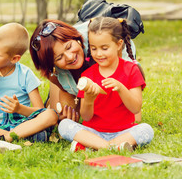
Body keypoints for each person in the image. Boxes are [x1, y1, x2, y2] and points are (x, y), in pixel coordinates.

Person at [58, 17, 153, 151]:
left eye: (104, 48)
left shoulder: (131, 70)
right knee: (64, 125)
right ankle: (112, 147)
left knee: (146, 130)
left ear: (119, 44)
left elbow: (135, 108)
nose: (99, 54)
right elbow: (85, 116)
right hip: (93, 132)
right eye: (94, 48)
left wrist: (121, 88)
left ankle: (92, 146)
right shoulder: (87, 75)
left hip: (123, 131)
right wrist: (89, 100)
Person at [29, 19, 141, 121]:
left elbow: (134, 114)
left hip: (112, 63)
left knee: (133, 118)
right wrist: (66, 114)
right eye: (59, 57)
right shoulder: (55, 72)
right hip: (73, 78)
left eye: (69, 47)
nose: (69, 57)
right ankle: (51, 103)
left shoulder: (101, 44)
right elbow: (82, 115)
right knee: (62, 120)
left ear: (74, 37)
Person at [0, 23, 58, 142]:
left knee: (50, 114)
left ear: (14, 59)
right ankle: (22, 135)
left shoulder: (25, 74)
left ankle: (6, 137)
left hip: (22, 123)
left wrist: (19, 109)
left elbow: (39, 111)